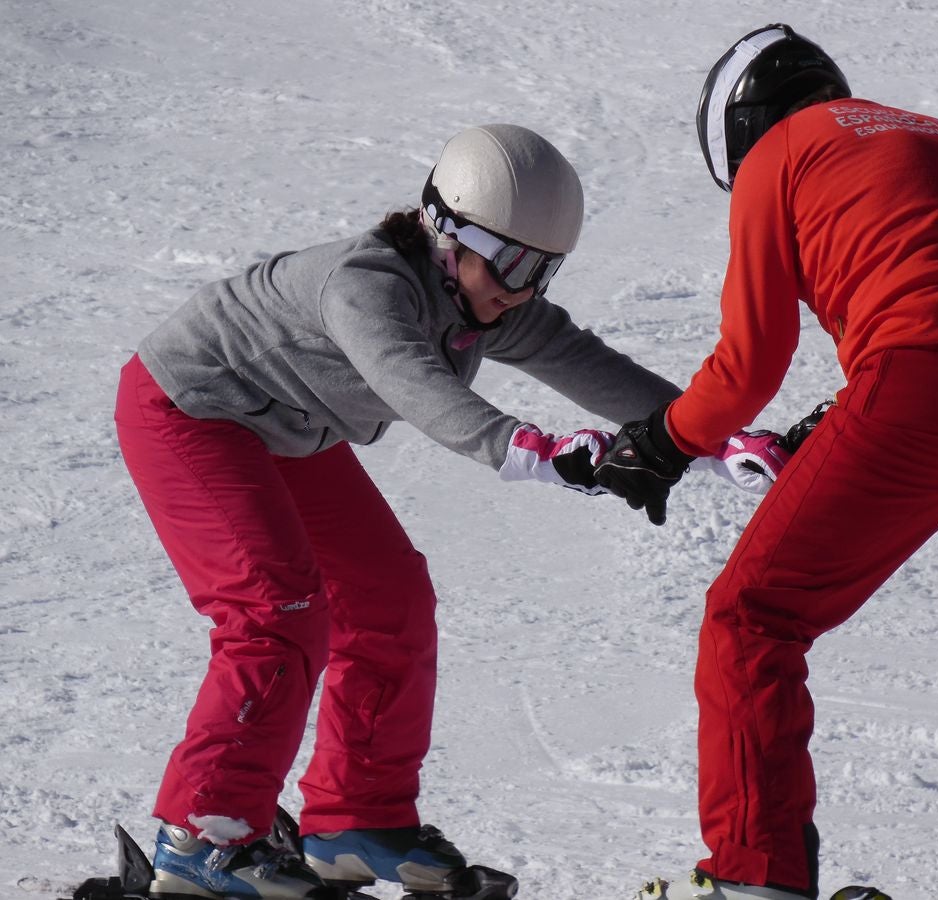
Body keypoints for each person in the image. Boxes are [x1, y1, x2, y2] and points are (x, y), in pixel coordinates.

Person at [114, 123, 791, 900]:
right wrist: (541, 450)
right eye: (509, 262)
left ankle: (353, 817)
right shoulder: (365, 285)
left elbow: (594, 367)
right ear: (447, 232)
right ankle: (206, 836)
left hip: (284, 430)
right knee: (278, 609)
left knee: (389, 599)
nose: (522, 286)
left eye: (543, 269)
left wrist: (715, 434)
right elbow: (423, 393)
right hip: (193, 407)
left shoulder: (490, 302)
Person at [595, 25, 938, 900]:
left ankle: (755, 875)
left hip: (924, 378)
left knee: (753, 616)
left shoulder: (775, 157)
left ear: (739, 134)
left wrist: (664, 442)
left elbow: (751, 362)